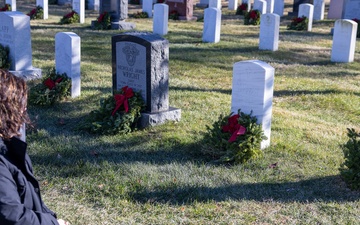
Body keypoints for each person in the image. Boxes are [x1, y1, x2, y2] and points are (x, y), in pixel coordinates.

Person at [0, 69, 70, 225]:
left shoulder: (10, 147)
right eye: (21, 105)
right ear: (7, 110)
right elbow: (11, 217)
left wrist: (51, 219)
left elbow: (29, 199)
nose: (24, 111)